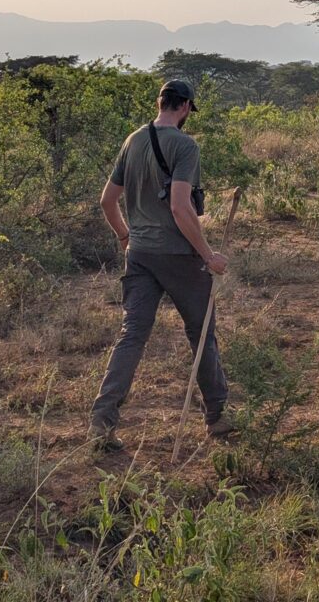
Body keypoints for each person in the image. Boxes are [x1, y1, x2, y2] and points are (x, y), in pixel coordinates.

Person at [88, 79, 232, 452]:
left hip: (139, 255)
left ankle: (102, 422)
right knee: (201, 334)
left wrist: (125, 238)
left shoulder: (133, 140)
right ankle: (217, 416)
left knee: (131, 335)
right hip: (179, 256)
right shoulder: (185, 145)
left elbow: (107, 200)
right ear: (184, 107)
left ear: (160, 102)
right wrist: (208, 255)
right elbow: (180, 208)